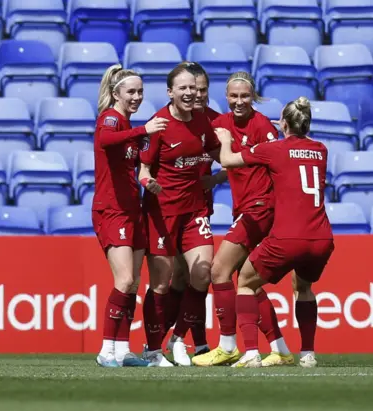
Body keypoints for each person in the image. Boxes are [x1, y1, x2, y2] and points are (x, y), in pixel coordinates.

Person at [215, 96, 335, 368]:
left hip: (287, 235)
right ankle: (307, 354)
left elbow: (228, 160)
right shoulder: (321, 149)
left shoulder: (274, 149)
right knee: (304, 287)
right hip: (321, 237)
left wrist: (224, 139)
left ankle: (250, 353)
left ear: (283, 123)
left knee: (245, 282)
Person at [193, 72, 293, 367]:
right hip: (246, 208)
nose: (239, 102)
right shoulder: (220, 124)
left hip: (260, 209)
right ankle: (281, 348)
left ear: (254, 97)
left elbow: (276, 164)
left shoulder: (262, 125)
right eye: (234, 97)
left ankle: (228, 345)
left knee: (219, 271)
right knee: (248, 282)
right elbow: (238, 162)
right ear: (226, 97)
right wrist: (217, 179)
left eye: (245, 96)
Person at [139, 62, 221, 367]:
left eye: (193, 88)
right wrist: (150, 183)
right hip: (162, 211)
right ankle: (151, 349)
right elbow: (143, 170)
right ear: (170, 92)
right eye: (182, 88)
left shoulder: (202, 121)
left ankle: (177, 340)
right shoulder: (158, 124)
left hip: (195, 209)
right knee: (161, 282)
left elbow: (217, 153)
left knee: (202, 273)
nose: (189, 93)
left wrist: (232, 169)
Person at [92, 64, 168, 367]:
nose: (137, 97)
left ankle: (122, 350)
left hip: (131, 209)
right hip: (112, 211)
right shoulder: (111, 118)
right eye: (131, 92)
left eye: (140, 92)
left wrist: (147, 181)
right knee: (123, 280)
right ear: (116, 93)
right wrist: (143, 131)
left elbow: (131, 168)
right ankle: (105, 350)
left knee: (134, 283)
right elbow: (105, 141)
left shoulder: (127, 124)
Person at [165, 62, 225, 357]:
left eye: (202, 90)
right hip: (172, 206)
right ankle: (173, 341)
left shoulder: (215, 121)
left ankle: (188, 341)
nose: (197, 94)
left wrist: (214, 178)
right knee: (181, 275)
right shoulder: (170, 119)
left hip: (201, 205)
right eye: (191, 89)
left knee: (198, 273)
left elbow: (233, 160)